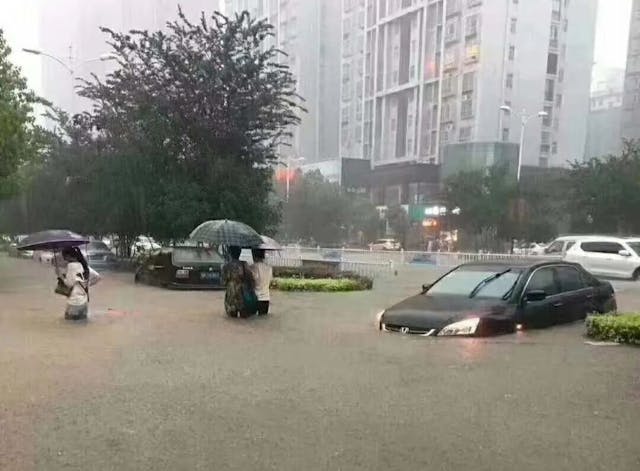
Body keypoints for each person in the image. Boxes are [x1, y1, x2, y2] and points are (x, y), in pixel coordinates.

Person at [56, 247, 98, 320]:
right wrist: (87, 284)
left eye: (64, 257)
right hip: (84, 302)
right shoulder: (84, 265)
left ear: (68, 256)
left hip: (74, 302)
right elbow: (97, 277)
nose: (65, 259)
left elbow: (69, 284)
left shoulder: (71, 266)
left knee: (69, 328)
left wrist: (60, 276)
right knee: (82, 326)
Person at [222, 246, 255, 317]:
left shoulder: (226, 266)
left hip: (231, 293)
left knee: (232, 317)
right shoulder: (244, 264)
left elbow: (223, 281)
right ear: (240, 253)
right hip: (242, 292)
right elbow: (250, 277)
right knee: (244, 316)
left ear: (230, 253)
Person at [250, 248, 273, 315]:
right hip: (266, 298)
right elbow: (270, 280)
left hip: (255, 298)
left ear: (254, 255)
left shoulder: (253, 267)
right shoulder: (269, 268)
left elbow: (251, 281)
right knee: (263, 319)